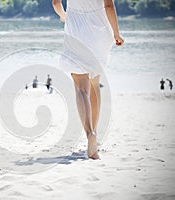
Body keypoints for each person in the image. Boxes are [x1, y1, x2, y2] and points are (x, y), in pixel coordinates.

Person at [53, 0, 124, 159]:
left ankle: (90, 133)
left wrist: (63, 16)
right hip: (99, 33)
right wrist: (116, 33)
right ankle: (95, 134)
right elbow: (109, 6)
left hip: (76, 30)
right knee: (94, 85)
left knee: (81, 89)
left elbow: (56, 3)